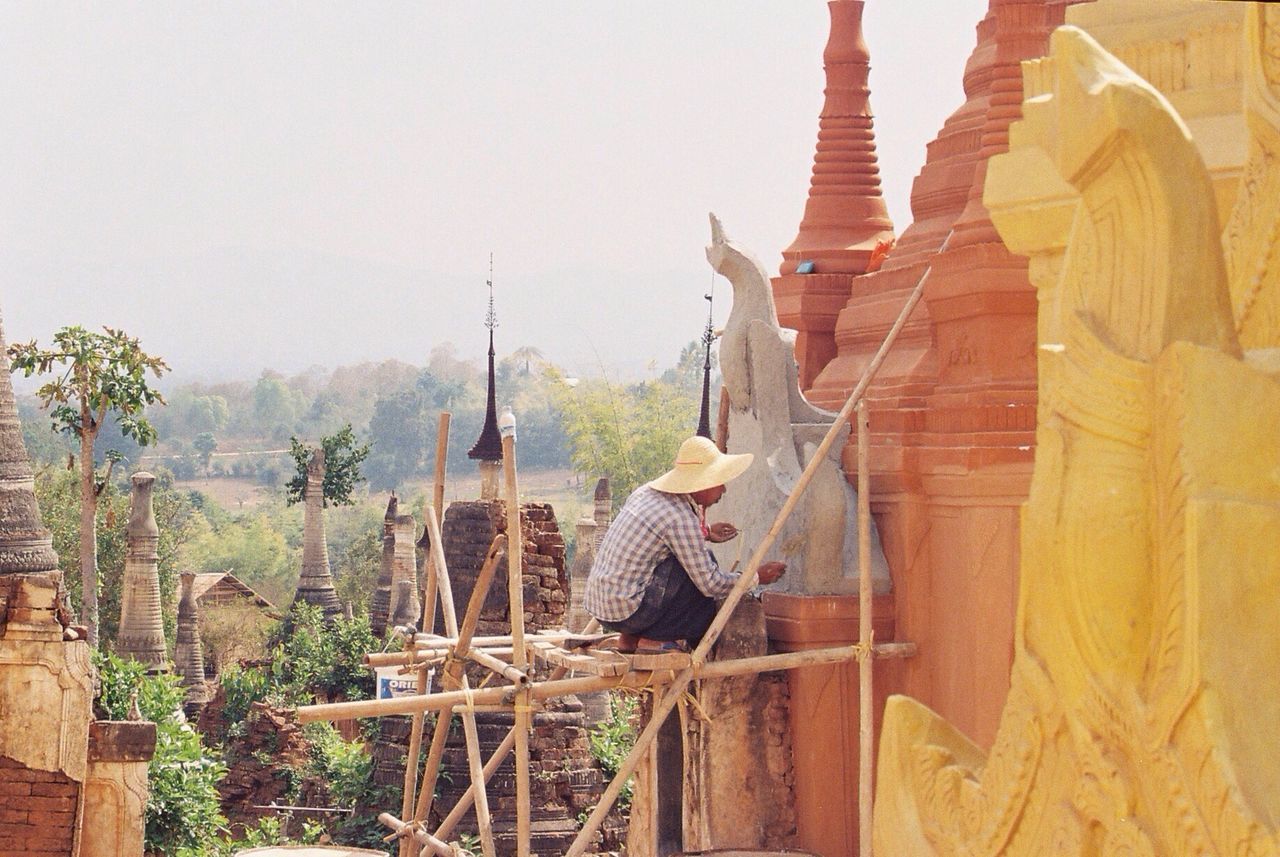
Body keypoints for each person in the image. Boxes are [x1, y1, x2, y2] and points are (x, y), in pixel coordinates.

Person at [584, 435, 786, 653]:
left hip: (603, 607)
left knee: (685, 562)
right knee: (704, 598)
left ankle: (629, 640)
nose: (724, 491)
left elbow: (659, 537)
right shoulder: (680, 518)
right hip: (628, 613)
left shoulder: (646, 493)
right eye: (719, 483)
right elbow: (711, 583)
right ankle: (693, 652)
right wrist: (755, 577)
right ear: (703, 483)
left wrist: (705, 532)